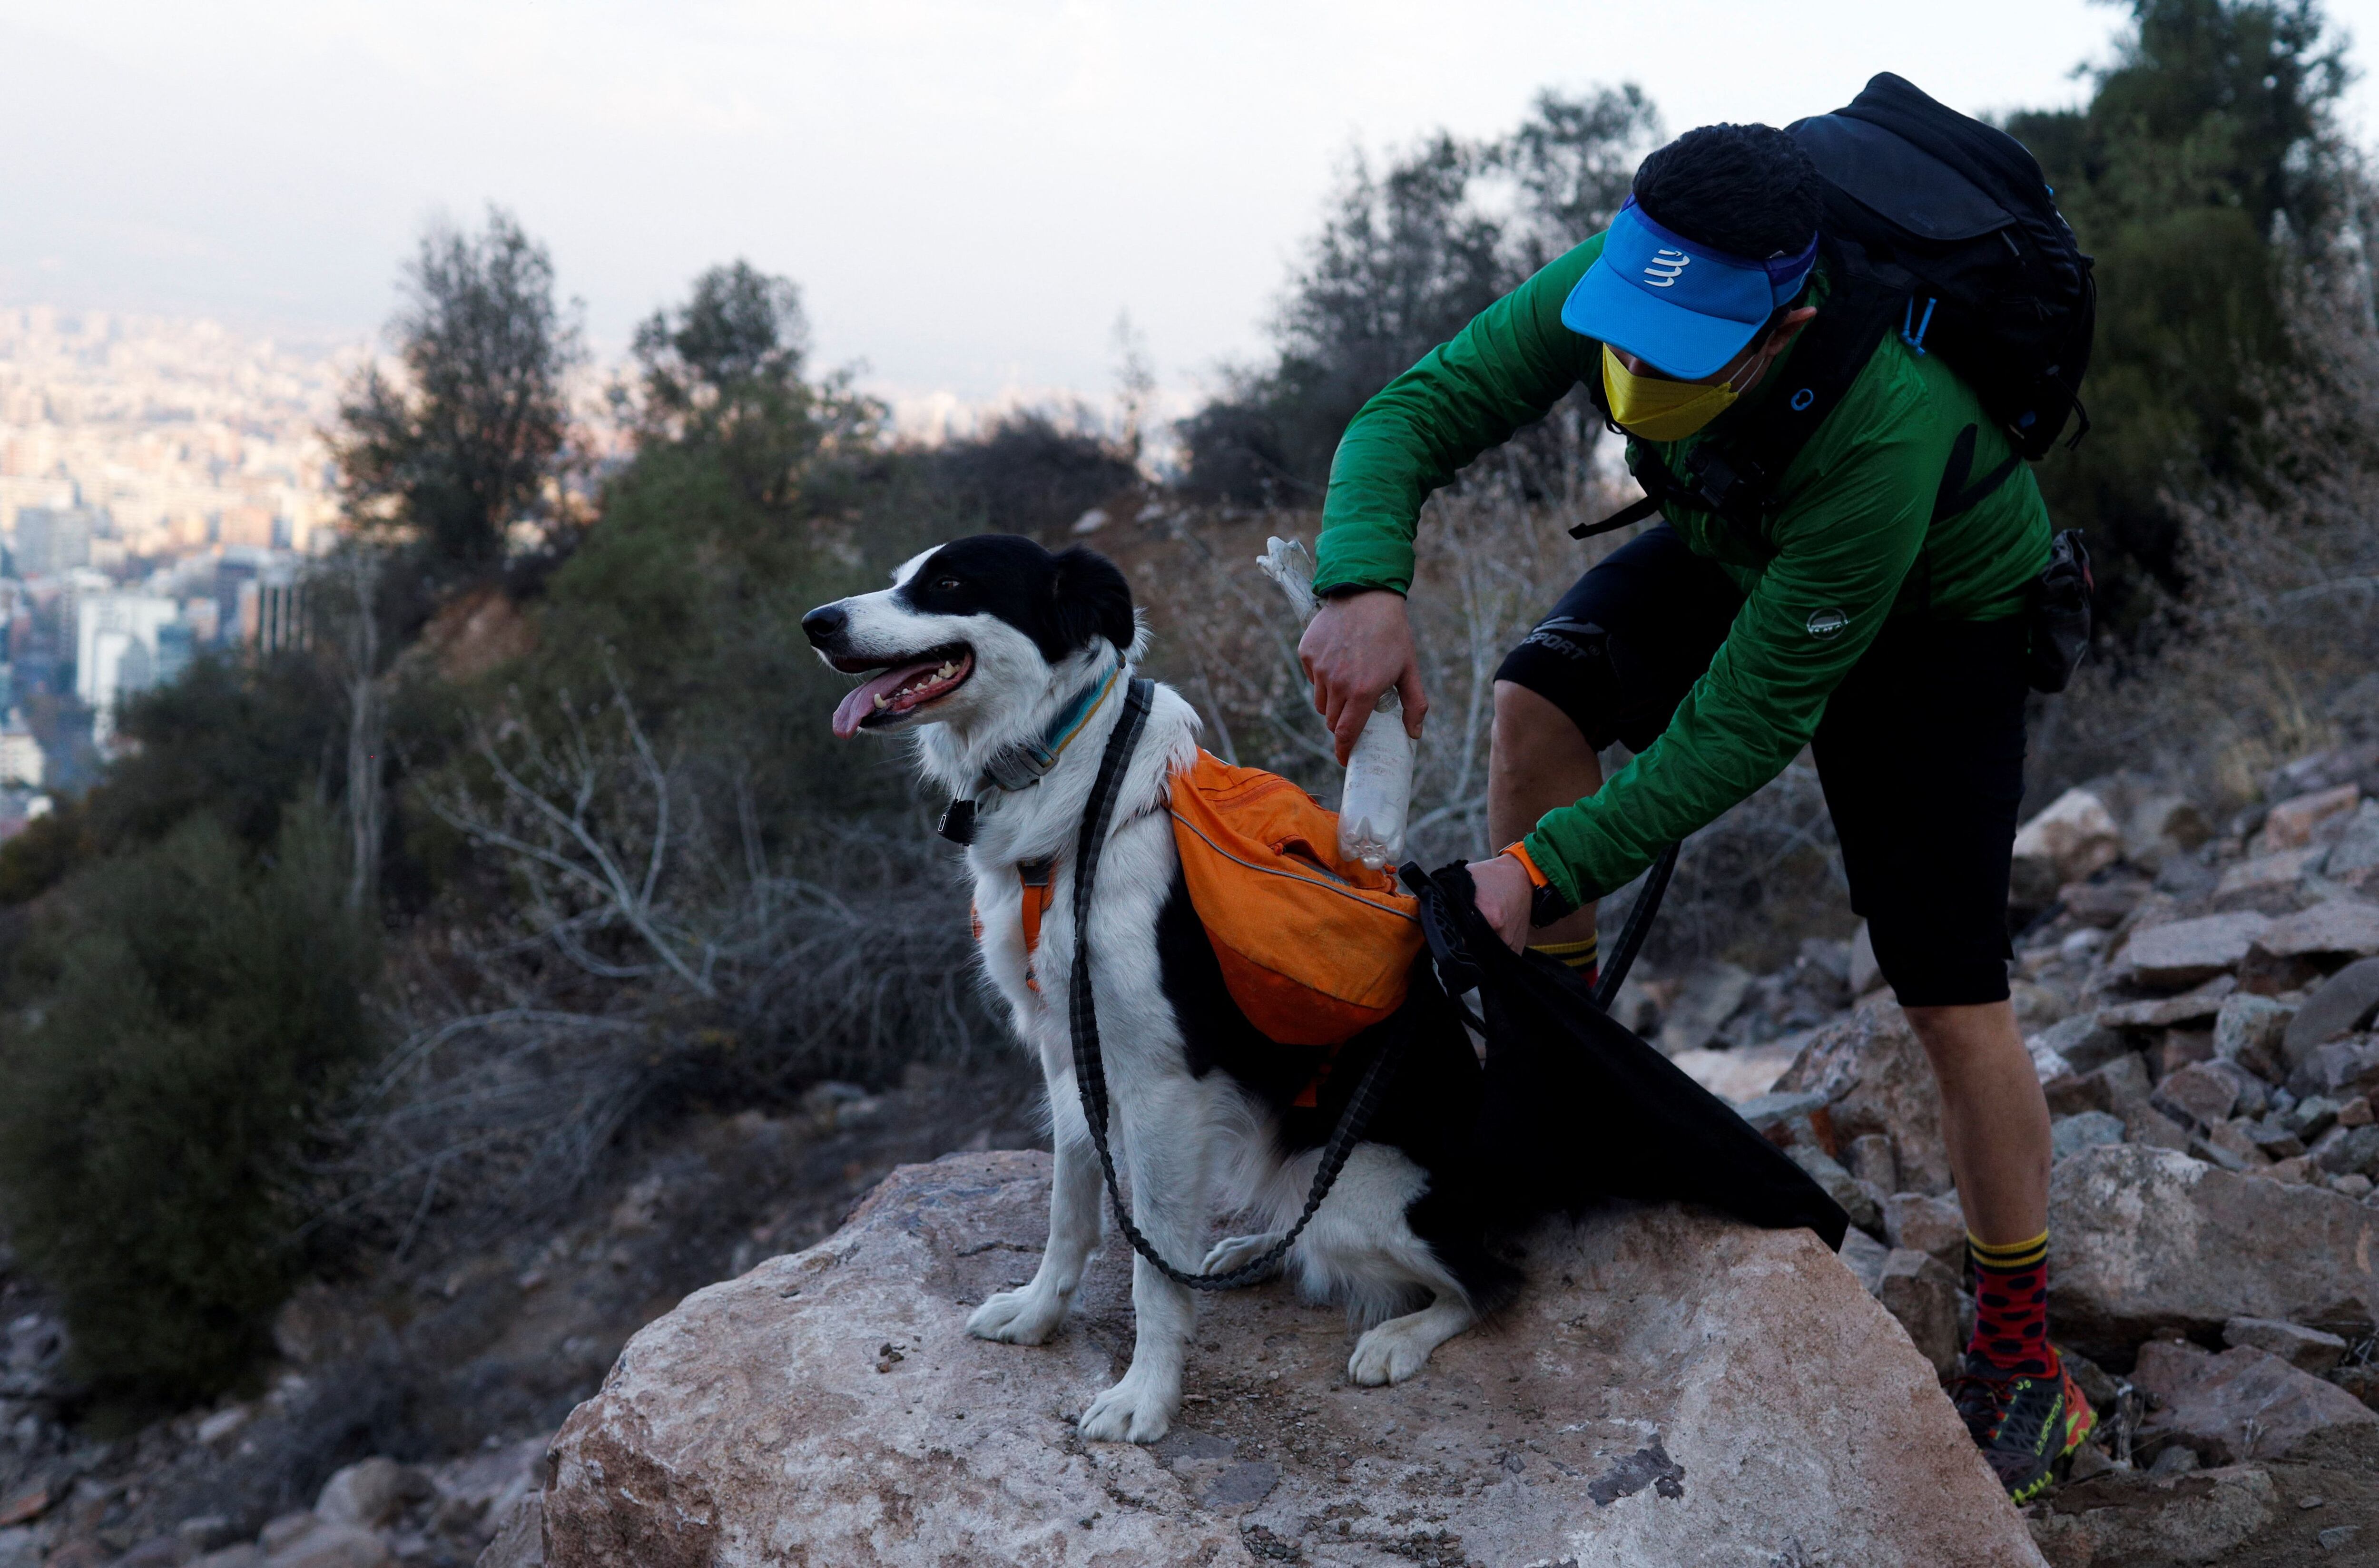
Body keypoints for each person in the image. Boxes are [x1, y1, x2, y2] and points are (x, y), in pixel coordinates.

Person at [1298, 120, 2089, 1501]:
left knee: (1950, 993)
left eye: (1686, 342)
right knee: (1538, 702)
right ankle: (1557, 1076)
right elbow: (1415, 410)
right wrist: (1361, 578)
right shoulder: (1626, 280)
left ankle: (2027, 1361)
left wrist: (1535, 870)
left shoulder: (1884, 418)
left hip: (1932, 611)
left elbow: (1746, 724)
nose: (1640, 366)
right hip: (1750, 535)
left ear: (1789, 315)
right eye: (1632, 328)